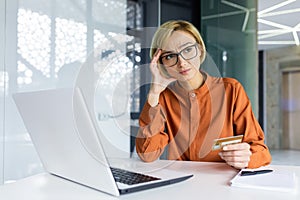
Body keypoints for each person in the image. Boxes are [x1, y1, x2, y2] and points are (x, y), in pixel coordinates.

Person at [135, 20, 272, 169]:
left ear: (200, 49)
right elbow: (147, 154)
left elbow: (261, 151)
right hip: (182, 185)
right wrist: (154, 92)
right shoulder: (163, 98)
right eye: (170, 56)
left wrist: (247, 157)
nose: (182, 62)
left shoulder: (231, 90)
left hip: (224, 183)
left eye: (187, 50)